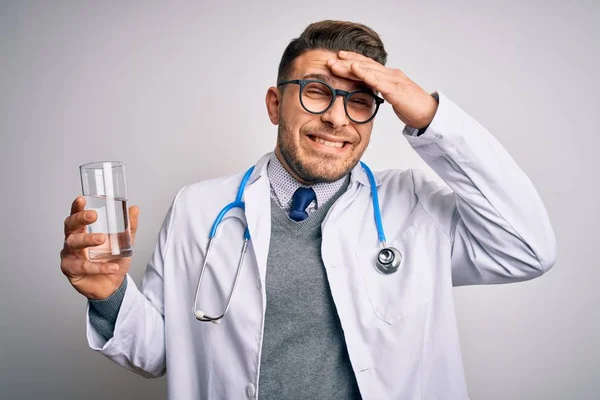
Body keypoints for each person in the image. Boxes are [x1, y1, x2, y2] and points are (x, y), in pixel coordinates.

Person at [60, 20, 556, 399]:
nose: (338, 118)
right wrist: (109, 296)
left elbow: (527, 249)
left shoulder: (415, 206)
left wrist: (429, 114)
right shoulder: (199, 209)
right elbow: (160, 354)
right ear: (276, 104)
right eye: (317, 92)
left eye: (361, 102)